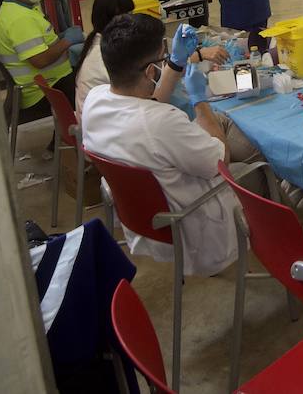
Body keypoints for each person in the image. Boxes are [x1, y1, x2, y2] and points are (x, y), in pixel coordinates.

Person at [81, 15, 271, 276]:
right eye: (162, 57)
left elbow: (151, 102)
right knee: (263, 172)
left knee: (220, 125)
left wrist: (175, 62)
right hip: (192, 218)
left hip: (145, 214)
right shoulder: (162, 123)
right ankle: (280, 244)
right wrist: (199, 100)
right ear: (150, 71)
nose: (164, 62)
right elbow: (221, 159)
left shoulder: (97, 98)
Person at [74, 0, 230, 116]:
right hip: (118, 127)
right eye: (128, 15)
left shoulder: (103, 45)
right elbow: (155, 92)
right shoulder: (105, 56)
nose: (133, 20)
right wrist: (199, 100)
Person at [0, 0, 84, 124]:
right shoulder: (20, 18)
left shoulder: (21, 8)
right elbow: (39, 61)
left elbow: (35, 44)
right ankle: (78, 136)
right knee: (93, 88)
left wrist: (58, 38)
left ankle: (67, 136)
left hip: (50, 82)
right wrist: (67, 42)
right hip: (44, 90)